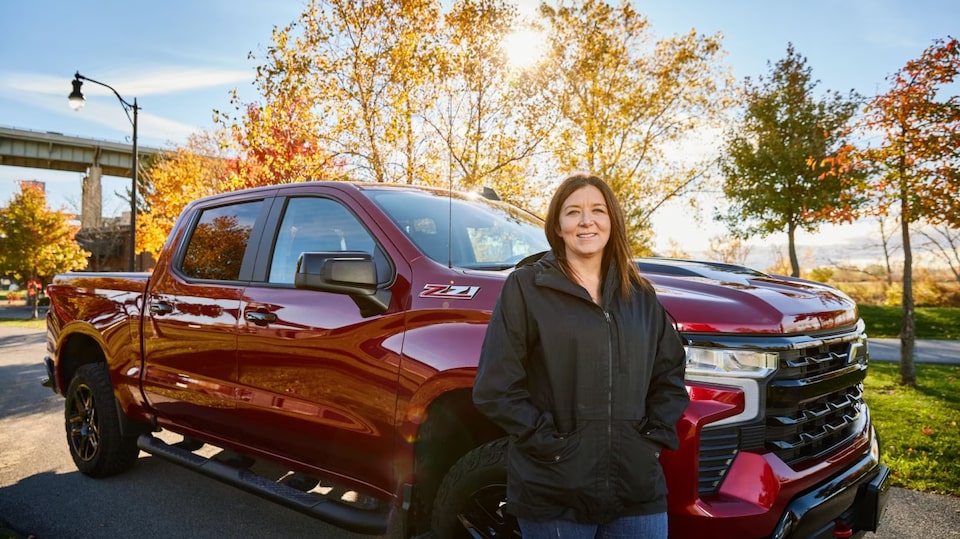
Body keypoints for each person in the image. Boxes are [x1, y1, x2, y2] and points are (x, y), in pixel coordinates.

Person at [473, 173, 689, 538]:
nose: (586, 221)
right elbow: (496, 388)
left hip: (636, 487)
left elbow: (669, 376)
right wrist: (554, 449)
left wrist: (649, 444)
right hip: (554, 489)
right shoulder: (526, 288)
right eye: (573, 212)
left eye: (597, 210)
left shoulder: (640, 295)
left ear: (611, 221)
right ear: (558, 226)